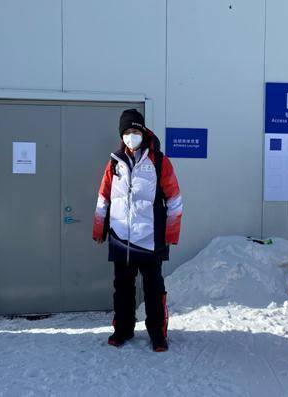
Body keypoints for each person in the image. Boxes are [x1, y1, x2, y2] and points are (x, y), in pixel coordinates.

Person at [92, 109, 182, 352]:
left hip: (151, 238)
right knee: (122, 288)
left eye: (135, 131)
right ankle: (123, 330)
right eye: (127, 132)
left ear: (143, 132)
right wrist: (99, 229)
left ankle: (157, 334)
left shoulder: (160, 162)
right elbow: (103, 198)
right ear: (122, 136)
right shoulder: (115, 162)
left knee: (153, 289)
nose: (132, 136)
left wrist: (171, 232)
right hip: (121, 238)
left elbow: (174, 199)